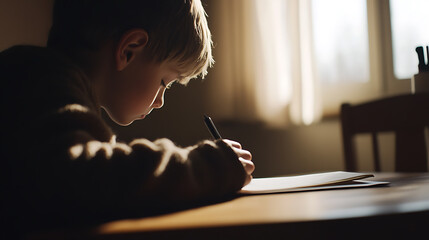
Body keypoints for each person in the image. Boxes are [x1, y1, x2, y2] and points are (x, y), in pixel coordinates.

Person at [0, 0, 254, 235]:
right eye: (165, 82)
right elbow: (87, 179)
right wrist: (211, 167)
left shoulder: (45, 81)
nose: (160, 101)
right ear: (129, 50)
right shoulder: (37, 80)